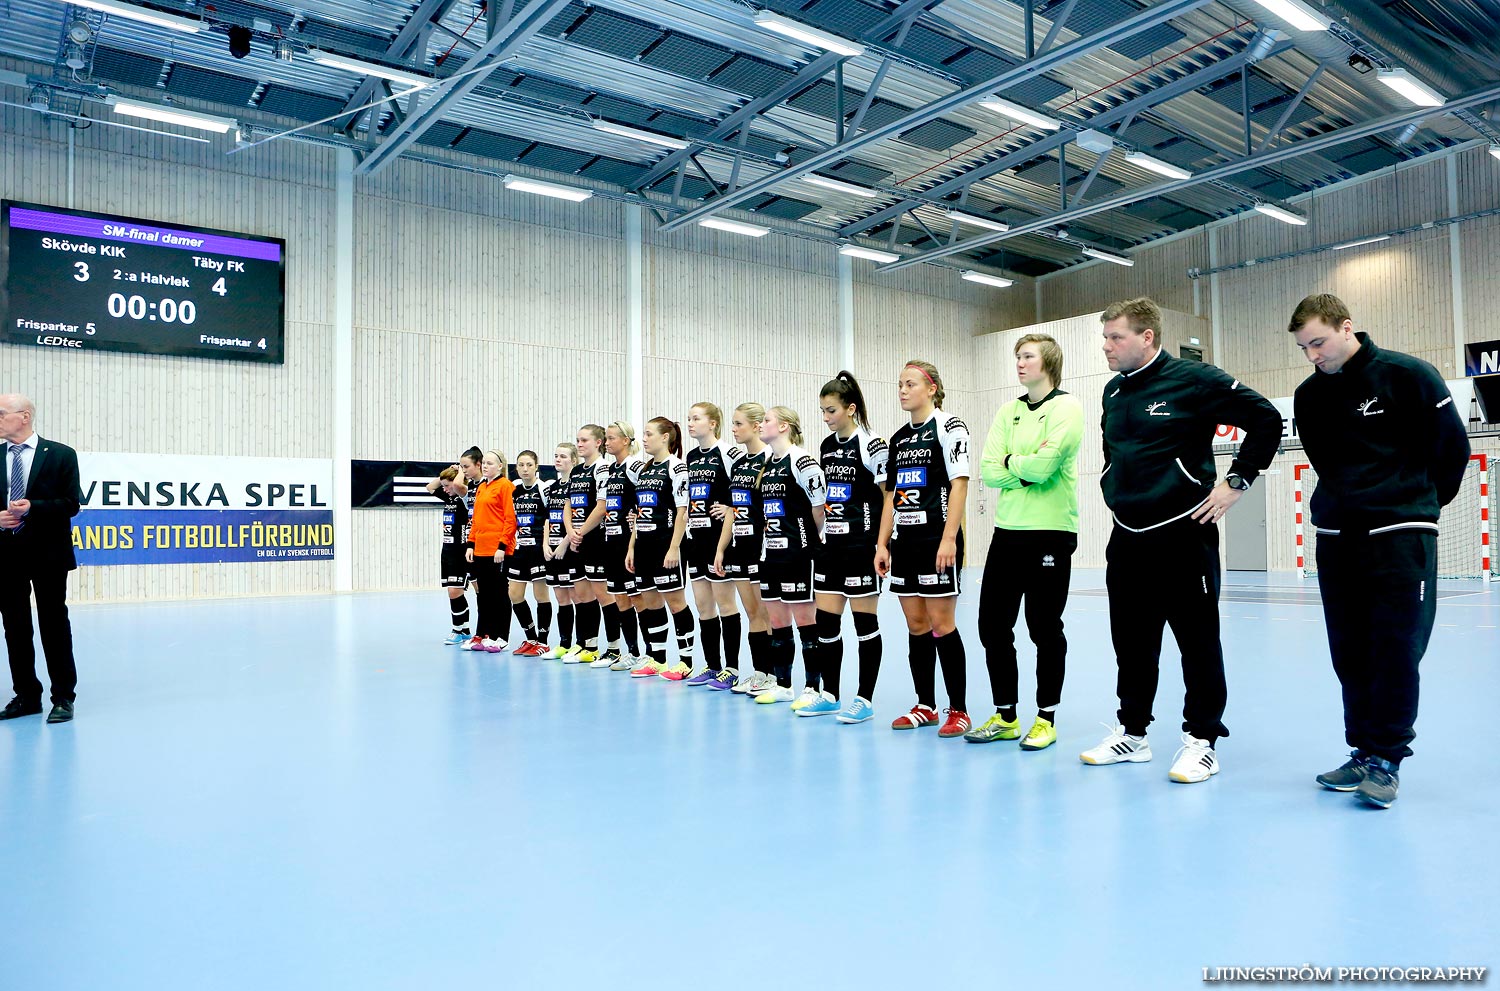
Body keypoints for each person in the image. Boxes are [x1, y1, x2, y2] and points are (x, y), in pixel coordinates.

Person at [1080, 297, 1281, 783]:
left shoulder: (1194, 380)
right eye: (1105, 337)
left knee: (1197, 641)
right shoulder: (1112, 392)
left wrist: (1237, 482)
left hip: (1183, 535)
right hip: (1126, 536)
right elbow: (1114, 453)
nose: (1106, 346)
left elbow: (1267, 419)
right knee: (1131, 641)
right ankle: (1133, 732)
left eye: (1116, 337)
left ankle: (1202, 739)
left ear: (1146, 337)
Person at [1289, 293, 1471, 809]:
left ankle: (1387, 758)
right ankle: (1362, 750)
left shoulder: (1410, 375)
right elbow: (1326, 462)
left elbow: (1452, 449)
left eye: (1319, 343)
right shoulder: (1310, 395)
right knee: (1349, 650)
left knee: (1395, 648)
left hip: (1400, 532)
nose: (1313, 356)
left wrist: (1416, 503)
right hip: (1336, 536)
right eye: (1304, 347)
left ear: (1348, 328)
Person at [968, 334, 1083, 750]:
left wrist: (1012, 466)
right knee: (992, 626)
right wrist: (1024, 468)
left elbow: (1047, 465)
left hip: (1051, 533)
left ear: (1047, 362)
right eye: (1017, 356)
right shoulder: (1008, 411)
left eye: (1027, 356)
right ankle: (1006, 715)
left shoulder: (1067, 408)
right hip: (1007, 533)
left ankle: (1046, 718)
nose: (1019, 363)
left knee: (1043, 627)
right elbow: (988, 470)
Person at [876, 362, 973, 738]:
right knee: (916, 625)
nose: (902, 390)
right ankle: (925, 705)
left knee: (941, 624)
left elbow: (959, 485)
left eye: (910, 383)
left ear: (931, 388)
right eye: (899, 384)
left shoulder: (950, 427)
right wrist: (882, 543)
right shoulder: (899, 439)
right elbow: (891, 496)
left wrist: (950, 538)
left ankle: (959, 709)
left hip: (937, 540)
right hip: (906, 543)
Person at [0, 394, 81, 724]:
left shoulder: (61, 454)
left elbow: (70, 504)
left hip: (48, 553)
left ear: (25, 416)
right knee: (14, 627)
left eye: (2, 413)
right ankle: (26, 696)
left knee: (53, 624)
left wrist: (34, 507)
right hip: (5, 554)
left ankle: (62, 696)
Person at [812, 374, 887, 722]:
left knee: (864, 624)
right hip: (833, 547)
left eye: (831, 410)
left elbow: (891, 496)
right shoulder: (827, 446)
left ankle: (865, 700)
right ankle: (830, 694)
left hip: (861, 546)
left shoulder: (872, 445)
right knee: (826, 623)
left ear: (850, 408)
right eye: (823, 411)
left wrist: (882, 543)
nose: (826, 417)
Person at [753, 406, 827, 707]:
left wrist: (805, 539)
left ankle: (813, 687)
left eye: (767, 420)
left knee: (805, 618)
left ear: (784, 426)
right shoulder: (768, 464)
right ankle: (783, 684)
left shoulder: (802, 461)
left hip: (799, 552)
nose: (762, 424)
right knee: (776, 618)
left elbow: (818, 506)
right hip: (770, 553)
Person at [625, 418, 695, 679]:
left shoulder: (676, 468)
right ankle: (658, 659)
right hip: (643, 546)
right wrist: (632, 546)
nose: (644, 438)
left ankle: (685, 662)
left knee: (676, 602)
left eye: (648, 433)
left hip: (666, 545)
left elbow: (682, 511)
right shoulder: (644, 470)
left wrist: (674, 547)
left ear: (665, 437)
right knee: (651, 602)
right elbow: (639, 513)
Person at [682, 402, 745, 687]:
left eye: (696, 419)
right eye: (689, 419)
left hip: (721, 540)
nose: (691, 424)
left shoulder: (730, 453)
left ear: (713, 423)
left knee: (725, 604)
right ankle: (712, 665)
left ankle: (731, 669)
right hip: (697, 540)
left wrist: (730, 509)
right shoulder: (692, 456)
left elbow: (742, 492)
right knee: (703, 606)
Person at [713, 403, 774, 695]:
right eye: (733, 424)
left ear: (756, 425)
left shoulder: (770, 460)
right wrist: (721, 549)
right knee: (752, 613)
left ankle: (773, 675)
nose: (734, 430)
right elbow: (732, 511)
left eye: (738, 424)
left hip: (761, 548)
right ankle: (759, 672)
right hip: (738, 545)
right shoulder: (738, 465)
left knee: (766, 613)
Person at [599, 422, 646, 671]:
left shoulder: (635, 467)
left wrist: (633, 539)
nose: (607, 442)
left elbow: (646, 501)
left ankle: (650, 654)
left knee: (637, 597)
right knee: (620, 598)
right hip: (611, 541)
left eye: (611, 438)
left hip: (629, 542)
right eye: (605, 438)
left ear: (625, 440)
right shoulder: (610, 470)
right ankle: (632, 651)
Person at [564, 424, 611, 664]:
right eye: (578, 440)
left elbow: (602, 507)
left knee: (603, 594)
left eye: (584, 441)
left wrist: (581, 531)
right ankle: (587, 645)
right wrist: (571, 531)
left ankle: (613, 648)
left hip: (595, 539)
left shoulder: (603, 469)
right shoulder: (576, 471)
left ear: (598, 443)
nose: (580, 444)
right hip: (577, 538)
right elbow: (569, 505)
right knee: (582, 594)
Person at [464, 449, 517, 653]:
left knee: (499, 594)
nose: (485, 466)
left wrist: (502, 546)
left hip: (498, 550)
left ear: (500, 466)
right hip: (481, 549)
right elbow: (476, 519)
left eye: (490, 463)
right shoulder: (481, 487)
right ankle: (484, 633)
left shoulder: (505, 486)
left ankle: (501, 636)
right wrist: (471, 543)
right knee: (483, 594)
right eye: (484, 463)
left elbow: (510, 519)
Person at [507, 451, 553, 656]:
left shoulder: (543, 489)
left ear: (536, 467)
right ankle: (531, 637)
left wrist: (545, 545)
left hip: (537, 549)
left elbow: (550, 518)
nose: (525, 469)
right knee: (514, 594)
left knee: (540, 594)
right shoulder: (514, 488)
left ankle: (543, 641)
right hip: (519, 549)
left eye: (529, 465)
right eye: (521, 465)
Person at [542, 443, 582, 660]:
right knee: (560, 597)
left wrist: (564, 544)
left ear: (573, 460)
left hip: (568, 548)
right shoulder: (553, 487)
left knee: (576, 596)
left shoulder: (576, 485)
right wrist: (545, 544)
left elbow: (575, 518)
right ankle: (564, 643)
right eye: (556, 455)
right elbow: (548, 518)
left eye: (563, 456)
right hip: (552, 549)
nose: (558, 460)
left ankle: (580, 643)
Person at [425, 467, 472, 646]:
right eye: (443, 486)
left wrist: (460, 472)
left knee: (455, 591)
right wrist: (445, 475)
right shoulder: (449, 497)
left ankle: (457, 629)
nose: (444, 489)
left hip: (461, 550)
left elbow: (461, 486)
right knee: (453, 592)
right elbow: (430, 487)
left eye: (447, 486)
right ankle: (465, 630)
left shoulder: (463, 498)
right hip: (447, 550)